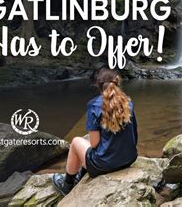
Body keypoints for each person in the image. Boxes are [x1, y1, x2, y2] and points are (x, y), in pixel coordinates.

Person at [52, 67, 138, 195]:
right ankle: (81, 174)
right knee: (89, 141)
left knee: (76, 141)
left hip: (104, 166)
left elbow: (94, 144)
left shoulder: (94, 105)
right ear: (117, 81)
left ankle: (67, 185)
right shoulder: (128, 103)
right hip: (129, 159)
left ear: (98, 85)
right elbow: (134, 136)